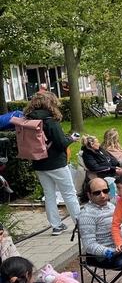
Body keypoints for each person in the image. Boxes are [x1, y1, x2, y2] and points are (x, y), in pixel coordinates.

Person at [23, 91, 80, 235]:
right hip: (56, 163)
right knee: (69, 193)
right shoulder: (50, 121)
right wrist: (71, 139)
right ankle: (80, 224)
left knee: (49, 195)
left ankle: (56, 226)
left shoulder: (28, 120)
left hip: (38, 163)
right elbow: (60, 143)